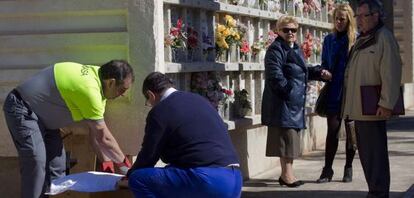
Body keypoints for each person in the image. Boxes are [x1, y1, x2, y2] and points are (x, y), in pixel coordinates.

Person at [3, 60, 134, 198]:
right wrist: (128, 169)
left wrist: (106, 161)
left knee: (57, 169)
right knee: (36, 162)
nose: (123, 95)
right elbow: (104, 137)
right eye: (122, 90)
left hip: (44, 119)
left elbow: (95, 134)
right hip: (23, 109)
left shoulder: (98, 80)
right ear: (111, 82)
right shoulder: (90, 90)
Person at [126, 72, 242, 198]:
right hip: (235, 180)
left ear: (150, 95)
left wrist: (129, 176)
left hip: (207, 180)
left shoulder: (159, 111)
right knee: (173, 172)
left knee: (138, 179)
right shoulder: (199, 100)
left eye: (148, 102)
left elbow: (148, 155)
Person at [261, 16, 331, 188]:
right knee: (285, 141)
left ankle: (288, 174)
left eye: (293, 30)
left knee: (291, 141)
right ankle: (286, 175)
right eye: (286, 30)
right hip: (283, 103)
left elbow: (300, 71)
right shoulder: (276, 50)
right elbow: (274, 75)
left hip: (293, 104)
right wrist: (289, 91)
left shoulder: (294, 48)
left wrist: (318, 73)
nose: (290, 33)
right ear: (278, 31)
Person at [342, 1, 402, 197]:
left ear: (376, 15)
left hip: (373, 109)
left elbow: (391, 73)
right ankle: (375, 191)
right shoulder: (364, 38)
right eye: (357, 16)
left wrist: (386, 103)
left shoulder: (384, 38)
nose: (358, 20)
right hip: (359, 109)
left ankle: (378, 193)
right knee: (367, 157)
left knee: (375, 157)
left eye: (363, 16)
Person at [316, 3, 357, 183]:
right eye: (336, 19)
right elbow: (324, 62)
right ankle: (327, 170)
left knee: (351, 132)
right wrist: (324, 73)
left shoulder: (356, 39)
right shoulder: (328, 40)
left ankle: (348, 167)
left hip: (352, 91)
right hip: (334, 90)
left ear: (349, 19)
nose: (339, 22)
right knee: (332, 131)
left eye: (342, 19)